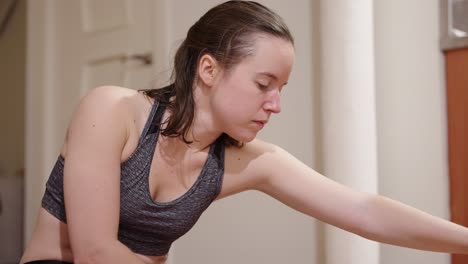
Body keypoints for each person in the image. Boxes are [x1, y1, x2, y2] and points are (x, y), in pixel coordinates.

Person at [20, 1, 468, 263]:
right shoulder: (111, 110)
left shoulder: (246, 162)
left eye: (282, 88)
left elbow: (364, 211)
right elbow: (95, 252)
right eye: (263, 84)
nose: (276, 104)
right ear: (209, 69)